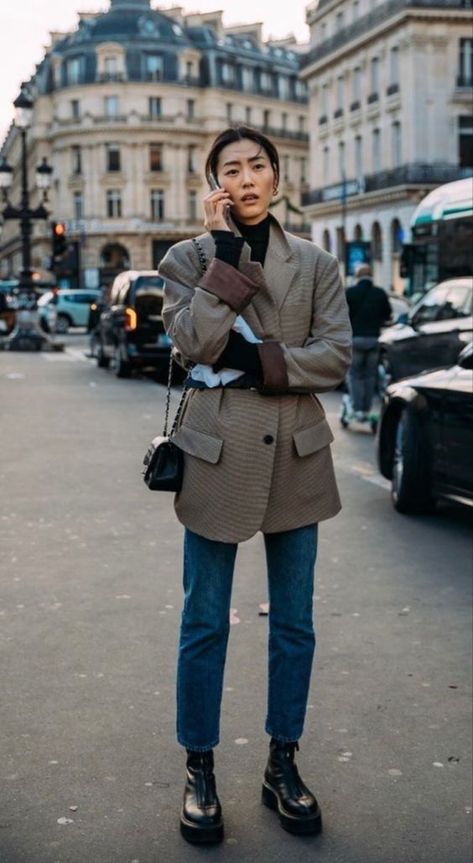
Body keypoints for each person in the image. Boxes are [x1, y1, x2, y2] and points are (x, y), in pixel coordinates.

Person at [158, 126, 351, 844]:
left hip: (297, 457)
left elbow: (334, 356)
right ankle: (198, 768)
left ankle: (282, 763)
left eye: (257, 166)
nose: (245, 179)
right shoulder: (186, 259)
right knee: (203, 623)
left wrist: (255, 360)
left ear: (276, 176)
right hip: (215, 457)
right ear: (211, 184)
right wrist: (229, 260)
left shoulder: (317, 262)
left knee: (294, 625)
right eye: (229, 169)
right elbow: (195, 345)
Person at [345, 263, 392, 421]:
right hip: (374, 339)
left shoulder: (350, 293)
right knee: (370, 375)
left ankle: (357, 409)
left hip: (355, 339)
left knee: (355, 375)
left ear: (357, 276)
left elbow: (341, 315)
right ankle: (367, 408)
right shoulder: (380, 293)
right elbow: (387, 315)